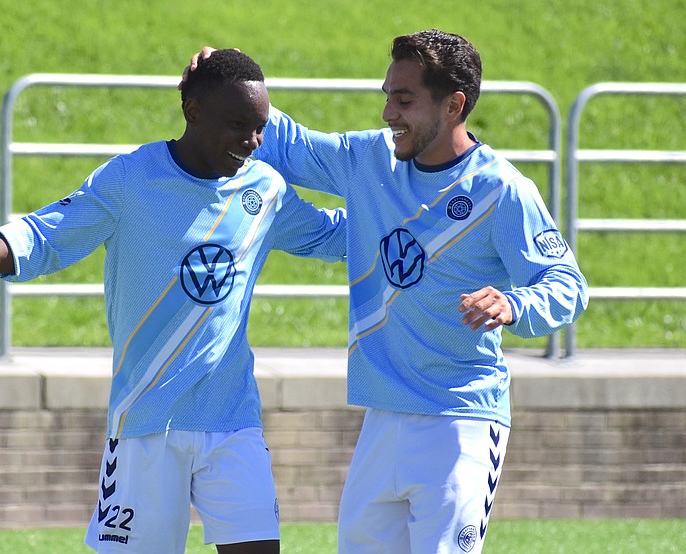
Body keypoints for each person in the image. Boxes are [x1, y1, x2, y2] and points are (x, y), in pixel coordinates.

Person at [0, 49, 347, 554]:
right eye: (239, 125)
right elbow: (48, 236)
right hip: (145, 422)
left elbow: (331, 237)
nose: (253, 141)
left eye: (261, 127)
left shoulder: (265, 189)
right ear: (193, 112)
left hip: (231, 417)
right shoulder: (131, 179)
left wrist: (428, 223)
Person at [185, 30, 588, 554]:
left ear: (455, 104)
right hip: (381, 418)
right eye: (387, 96)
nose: (387, 113)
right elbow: (289, 144)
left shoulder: (502, 189)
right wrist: (224, 78)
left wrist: (515, 304)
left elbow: (567, 285)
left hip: (460, 420)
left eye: (404, 100)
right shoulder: (370, 161)